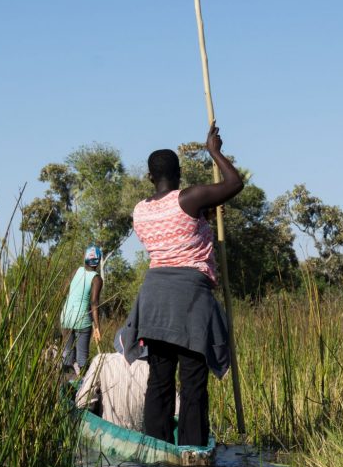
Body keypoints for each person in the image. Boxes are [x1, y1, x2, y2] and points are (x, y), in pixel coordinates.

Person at [121, 122, 244, 446]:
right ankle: (192, 455)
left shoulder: (140, 211)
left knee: (159, 380)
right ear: (179, 173)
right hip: (188, 297)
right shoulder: (188, 198)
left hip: (155, 297)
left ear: (150, 177)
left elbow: (178, 228)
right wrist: (214, 151)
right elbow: (235, 183)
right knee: (192, 382)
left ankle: (156, 449)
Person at [60, 245, 102, 373]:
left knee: (67, 355)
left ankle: (66, 388)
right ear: (98, 261)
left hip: (66, 317)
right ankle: (82, 388)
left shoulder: (75, 271)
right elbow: (94, 303)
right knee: (82, 358)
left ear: (85, 259)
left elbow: (63, 292)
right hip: (82, 320)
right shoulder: (96, 278)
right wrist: (97, 327)